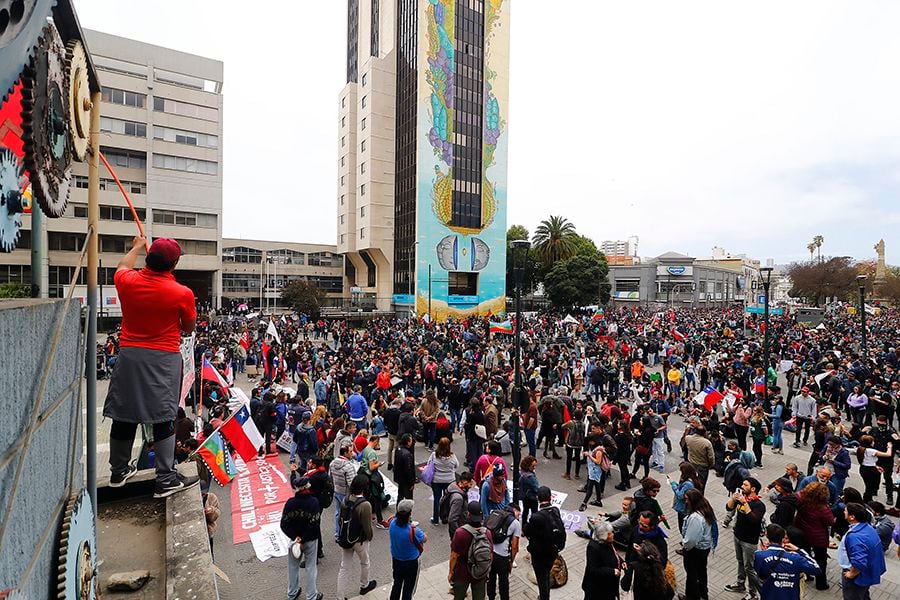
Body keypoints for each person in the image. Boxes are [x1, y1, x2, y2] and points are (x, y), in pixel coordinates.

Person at [103, 236, 199, 498]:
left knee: (124, 413)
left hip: (130, 355)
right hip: (163, 358)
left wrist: (135, 245)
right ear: (175, 263)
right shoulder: (182, 293)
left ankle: (118, 471)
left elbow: (122, 266)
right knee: (164, 416)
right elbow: (188, 328)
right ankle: (165, 479)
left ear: (148, 258)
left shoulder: (127, 281)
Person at [280, 476, 323, 600]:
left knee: (293, 567)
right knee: (311, 568)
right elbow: (314, 525)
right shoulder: (313, 502)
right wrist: (303, 538)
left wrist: (295, 537)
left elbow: (284, 524)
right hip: (310, 540)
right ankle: (311, 595)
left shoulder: (290, 503)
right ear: (307, 486)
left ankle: (292, 593)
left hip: (294, 541)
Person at [723, 477, 766, 600]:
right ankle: (740, 584)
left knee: (750, 568)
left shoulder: (759, 505)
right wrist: (733, 498)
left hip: (749, 541)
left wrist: (745, 503)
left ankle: (756, 593)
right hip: (738, 535)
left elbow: (754, 519)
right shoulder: (742, 498)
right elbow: (728, 508)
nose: (742, 486)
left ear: (753, 489)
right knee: (740, 561)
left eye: (745, 485)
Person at [753, 524, 820, 600]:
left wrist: (765, 553)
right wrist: (799, 550)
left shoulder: (759, 555)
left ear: (766, 535)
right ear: (783, 538)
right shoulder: (795, 557)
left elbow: (760, 575)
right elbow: (816, 569)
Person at [336, 475, 376, 600]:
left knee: (344, 567)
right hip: (360, 540)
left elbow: (339, 520)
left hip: (346, 538)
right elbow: (367, 526)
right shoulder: (365, 505)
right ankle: (364, 585)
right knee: (365, 562)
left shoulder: (346, 499)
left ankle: (340, 596)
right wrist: (370, 537)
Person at [838, 502, 888, 600]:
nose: (844, 512)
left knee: (853, 596)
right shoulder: (867, 527)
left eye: (846, 511)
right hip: (868, 573)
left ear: (852, 517)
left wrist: (851, 574)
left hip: (857, 576)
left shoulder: (855, 537)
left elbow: (859, 562)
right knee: (864, 595)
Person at [523, 486, 564, 600]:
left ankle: (544, 597)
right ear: (550, 497)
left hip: (540, 554)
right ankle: (545, 594)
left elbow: (528, 531)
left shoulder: (536, 517)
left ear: (538, 499)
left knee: (541, 578)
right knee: (546, 574)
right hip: (553, 551)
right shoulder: (555, 510)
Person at [449, 501, 493, 600]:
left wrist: (451, 572)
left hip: (462, 572)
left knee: (459, 596)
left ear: (468, 514)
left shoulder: (460, 533)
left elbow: (454, 556)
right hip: (480, 572)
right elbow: (490, 554)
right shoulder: (487, 533)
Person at [680, 489, 717, 600]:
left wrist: (684, 546)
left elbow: (691, 540)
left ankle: (692, 596)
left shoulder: (696, 518)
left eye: (686, 499)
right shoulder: (705, 509)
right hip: (704, 548)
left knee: (692, 574)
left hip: (695, 550)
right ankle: (703, 593)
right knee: (701, 571)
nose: (685, 501)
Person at [582, 520, 624, 600]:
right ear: (603, 536)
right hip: (597, 588)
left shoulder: (608, 543)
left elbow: (614, 554)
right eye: (610, 533)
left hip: (608, 585)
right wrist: (612, 571)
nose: (613, 535)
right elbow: (593, 569)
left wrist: (621, 562)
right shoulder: (593, 547)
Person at [486, 505, 520, 600]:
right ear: (514, 510)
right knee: (503, 582)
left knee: (491, 578)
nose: (518, 516)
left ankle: (491, 597)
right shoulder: (515, 523)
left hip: (490, 553)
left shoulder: (495, 513)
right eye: (518, 513)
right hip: (503, 557)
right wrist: (511, 561)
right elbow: (514, 546)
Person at [330, 441, 359, 539]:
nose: (352, 453)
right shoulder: (348, 466)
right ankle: (347, 534)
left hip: (337, 490)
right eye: (350, 451)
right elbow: (353, 484)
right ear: (345, 453)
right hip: (347, 494)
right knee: (348, 515)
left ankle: (338, 533)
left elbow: (330, 477)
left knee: (338, 512)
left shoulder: (332, 463)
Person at [429, 437, 460, 525]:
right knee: (447, 500)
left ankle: (435, 519)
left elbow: (429, 465)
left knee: (437, 499)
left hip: (436, 480)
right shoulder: (452, 456)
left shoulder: (434, 455)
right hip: (449, 480)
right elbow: (457, 465)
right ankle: (445, 517)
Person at [855, 435, 893, 503]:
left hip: (863, 468)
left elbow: (868, 461)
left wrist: (876, 466)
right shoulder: (872, 451)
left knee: (868, 486)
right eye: (873, 441)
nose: (874, 442)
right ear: (870, 443)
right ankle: (867, 500)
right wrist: (889, 447)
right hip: (870, 471)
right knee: (870, 487)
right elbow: (888, 454)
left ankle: (868, 499)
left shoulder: (861, 449)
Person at [669, 462, 700, 531]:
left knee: (683, 527)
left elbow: (680, 495)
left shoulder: (688, 484)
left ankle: (685, 540)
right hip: (685, 508)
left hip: (683, 509)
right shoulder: (692, 479)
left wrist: (674, 486)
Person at [446, 471, 476, 538]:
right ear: (465, 482)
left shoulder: (454, 486)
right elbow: (452, 519)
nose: (471, 487)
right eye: (470, 484)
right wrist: (459, 534)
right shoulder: (458, 498)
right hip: (459, 528)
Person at [580, 436, 607, 511]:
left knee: (590, 487)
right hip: (593, 470)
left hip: (595, 470)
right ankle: (598, 501)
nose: (589, 443)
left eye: (590, 441)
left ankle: (584, 503)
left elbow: (598, 461)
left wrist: (588, 455)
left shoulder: (598, 450)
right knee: (597, 485)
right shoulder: (596, 448)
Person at [393, 433, 417, 505]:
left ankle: (398, 511)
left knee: (400, 496)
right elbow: (408, 470)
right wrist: (411, 482)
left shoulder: (398, 449)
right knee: (408, 499)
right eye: (411, 440)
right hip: (406, 481)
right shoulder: (407, 454)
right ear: (407, 442)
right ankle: (406, 513)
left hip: (400, 478)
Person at [519, 455, 540, 524]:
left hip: (525, 496)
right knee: (534, 513)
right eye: (533, 466)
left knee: (525, 511)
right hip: (532, 497)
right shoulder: (529, 477)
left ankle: (523, 526)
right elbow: (536, 488)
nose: (534, 468)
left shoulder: (522, 472)